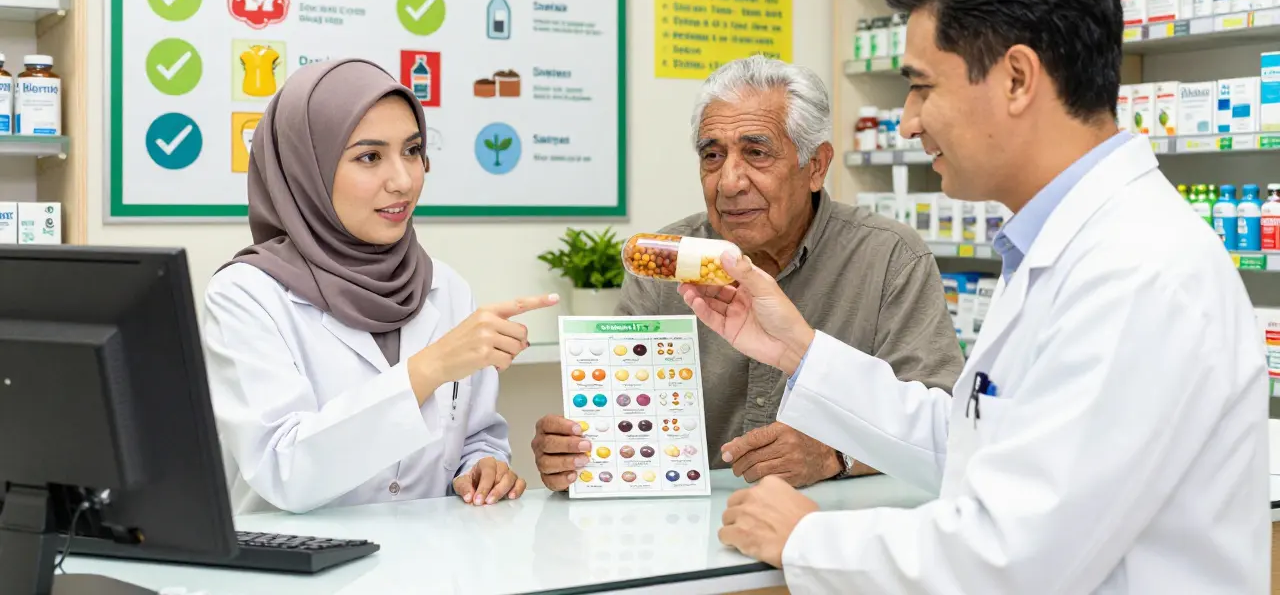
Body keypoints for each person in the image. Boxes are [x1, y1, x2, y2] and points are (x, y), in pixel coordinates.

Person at [680, 0, 1269, 594]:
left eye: (922, 86)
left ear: (1016, 78)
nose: (906, 119)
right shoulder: (1064, 247)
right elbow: (973, 444)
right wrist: (801, 351)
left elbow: (1015, 560)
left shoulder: (1138, 270)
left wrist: (807, 537)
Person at [531, 55, 964, 491]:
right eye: (712, 156)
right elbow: (616, 418)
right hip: (692, 527)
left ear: (816, 166)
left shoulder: (890, 257)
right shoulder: (663, 263)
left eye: (757, 153)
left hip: (837, 527)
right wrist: (573, 453)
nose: (729, 182)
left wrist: (836, 456)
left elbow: (948, 427)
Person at [203, 59, 557, 514]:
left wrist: (482, 466)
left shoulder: (444, 287)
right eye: (369, 157)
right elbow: (283, 470)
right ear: (305, 169)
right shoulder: (247, 295)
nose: (404, 180)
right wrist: (429, 368)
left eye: (412, 151)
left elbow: (475, 436)